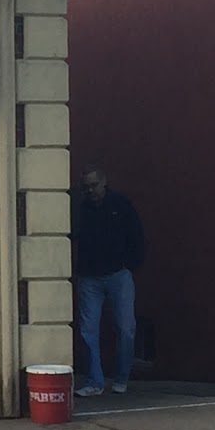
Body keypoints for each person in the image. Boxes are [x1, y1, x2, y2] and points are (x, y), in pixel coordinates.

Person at [71, 163, 146, 396]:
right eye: (86, 187)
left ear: (104, 182)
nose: (90, 191)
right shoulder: (80, 207)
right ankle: (95, 380)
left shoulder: (121, 205)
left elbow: (137, 235)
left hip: (118, 274)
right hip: (90, 276)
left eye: (94, 185)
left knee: (126, 328)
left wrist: (130, 266)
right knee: (87, 330)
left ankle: (121, 377)